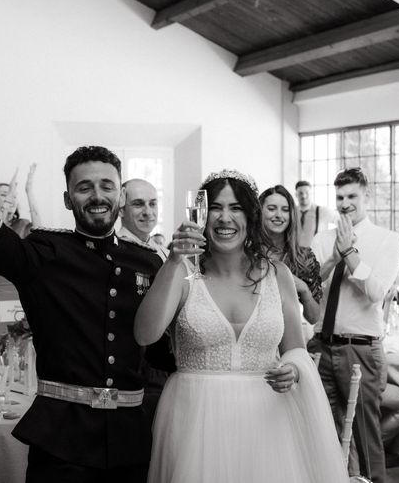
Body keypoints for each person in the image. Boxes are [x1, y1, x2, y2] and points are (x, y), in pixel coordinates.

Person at [0, 99, 173, 482]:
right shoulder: (43, 252)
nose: (97, 196)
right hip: (62, 440)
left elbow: (162, 352)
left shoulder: (149, 262)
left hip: (130, 438)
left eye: (107, 186)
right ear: (67, 199)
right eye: (84, 187)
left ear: (120, 197)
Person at [134, 170, 346, 483]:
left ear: (251, 217)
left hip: (266, 423)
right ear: (201, 216)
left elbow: (295, 349)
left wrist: (294, 369)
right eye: (215, 208)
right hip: (195, 421)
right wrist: (173, 262)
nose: (224, 218)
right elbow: (144, 333)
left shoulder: (279, 275)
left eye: (236, 208)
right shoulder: (184, 273)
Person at [308, 167, 399, 483]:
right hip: (321, 345)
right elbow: (308, 285)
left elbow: (375, 292)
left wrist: (349, 253)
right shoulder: (322, 239)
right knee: (323, 432)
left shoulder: (388, 240)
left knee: (364, 434)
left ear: (366, 196)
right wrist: (334, 256)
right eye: (340, 197)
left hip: (360, 350)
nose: (345, 203)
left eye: (352, 196)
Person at [0, 165, 41, 350]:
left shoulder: (23, 226)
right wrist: (2, 213)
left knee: (22, 366)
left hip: (23, 307)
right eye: (4, 195)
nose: (11, 198)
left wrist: (29, 192)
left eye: (13, 195)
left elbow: (42, 237)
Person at [259, 184, 321, 324]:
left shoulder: (304, 257)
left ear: (291, 215)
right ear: (259, 212)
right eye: (271, 209)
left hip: (289, 340)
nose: (279, 215)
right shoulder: (247, 252)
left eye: (285, 210)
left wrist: (304, 290)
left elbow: (314, 318)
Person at [117, 178, 167, 260]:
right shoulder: (115, 251)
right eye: (138, 204)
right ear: (121, 210)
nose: (148, 212)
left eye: (152, 204)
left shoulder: (167, 253)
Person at [295, 180, 337, 248]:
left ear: (311, 193)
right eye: (300, 193)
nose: (304, 196)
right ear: (296, 195)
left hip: (316, 255)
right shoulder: (291, 212)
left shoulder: (322, 211)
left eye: (307, 192)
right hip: (296, 255)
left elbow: (341, 221)